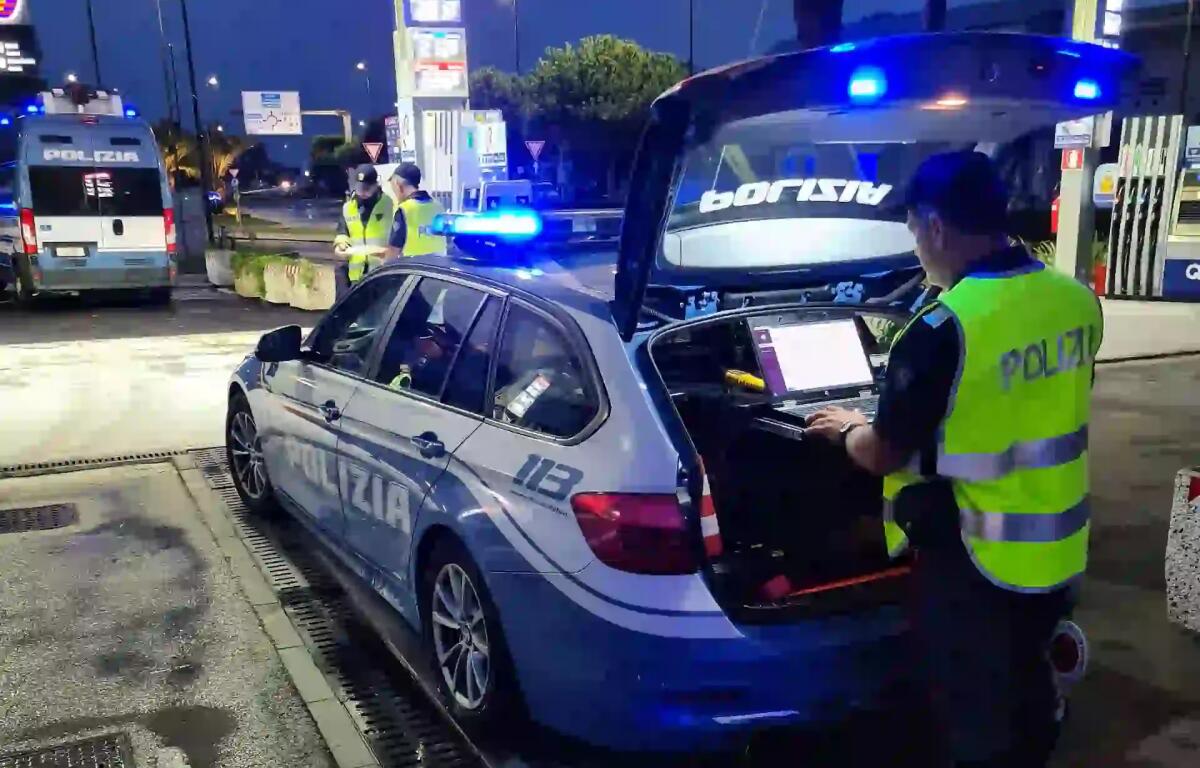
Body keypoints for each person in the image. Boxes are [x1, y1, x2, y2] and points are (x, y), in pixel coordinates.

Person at [804, 151, 1101, 768]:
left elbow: (883, 454)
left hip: (977, 562)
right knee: (1031, 693)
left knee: (976, 719)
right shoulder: (1076, 301)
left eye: (913, 230)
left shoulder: (943, 328)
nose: (915, 247)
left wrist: (847, 428)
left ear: (936, 226)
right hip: (1059, 548)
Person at [334, 164, 395, 290]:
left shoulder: (390, 205)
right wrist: (341, 245)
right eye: (359, 188)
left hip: (382, 273)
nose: (363, 192)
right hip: (357, 275)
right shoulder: (348, 207)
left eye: (367, 188)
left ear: (376, 185)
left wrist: (388, 251)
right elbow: (342, 232)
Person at [386, 162, 447, 259]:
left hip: (414, 270)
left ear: (397, 185)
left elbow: (393, 250)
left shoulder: (404, 210)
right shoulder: (439, 207)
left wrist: (383, 268)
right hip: (438, 270)